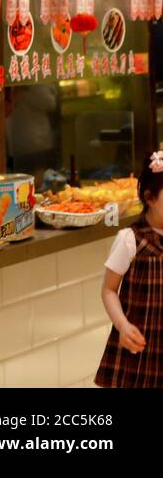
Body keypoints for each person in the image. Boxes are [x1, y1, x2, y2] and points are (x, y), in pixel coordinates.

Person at [96, 154, 163, 387]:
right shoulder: (130, 239)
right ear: (150, 198)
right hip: (141, 346)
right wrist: (123, 326)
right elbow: (108, 290)